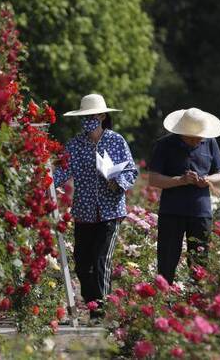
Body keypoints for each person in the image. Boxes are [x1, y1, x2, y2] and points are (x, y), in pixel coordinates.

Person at [53, 93, 138, 320]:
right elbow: (60, 173)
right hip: (84, 212)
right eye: (85, 116)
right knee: (82, 264)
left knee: (102, 261)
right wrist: (43, 180)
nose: (89, 119)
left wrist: (117, 182)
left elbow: (131, 171)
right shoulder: (75, 145)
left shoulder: (116, 141)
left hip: (110, 211)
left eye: (92, 115)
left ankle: (100, 312)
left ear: (101, 116)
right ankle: (92, 306)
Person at [147, 107, 220, 284]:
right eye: (193, 137)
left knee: (199, 261)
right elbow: (154, 179)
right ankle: (163, 303)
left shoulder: (210, 142)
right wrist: (180, 180)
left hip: (201, 211)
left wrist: (207, 179)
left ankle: (195, 305)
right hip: (172, 211)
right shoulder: (164, 144)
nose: (197, 140)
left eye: (200, 137)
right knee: (167, 261)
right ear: (182, 132)